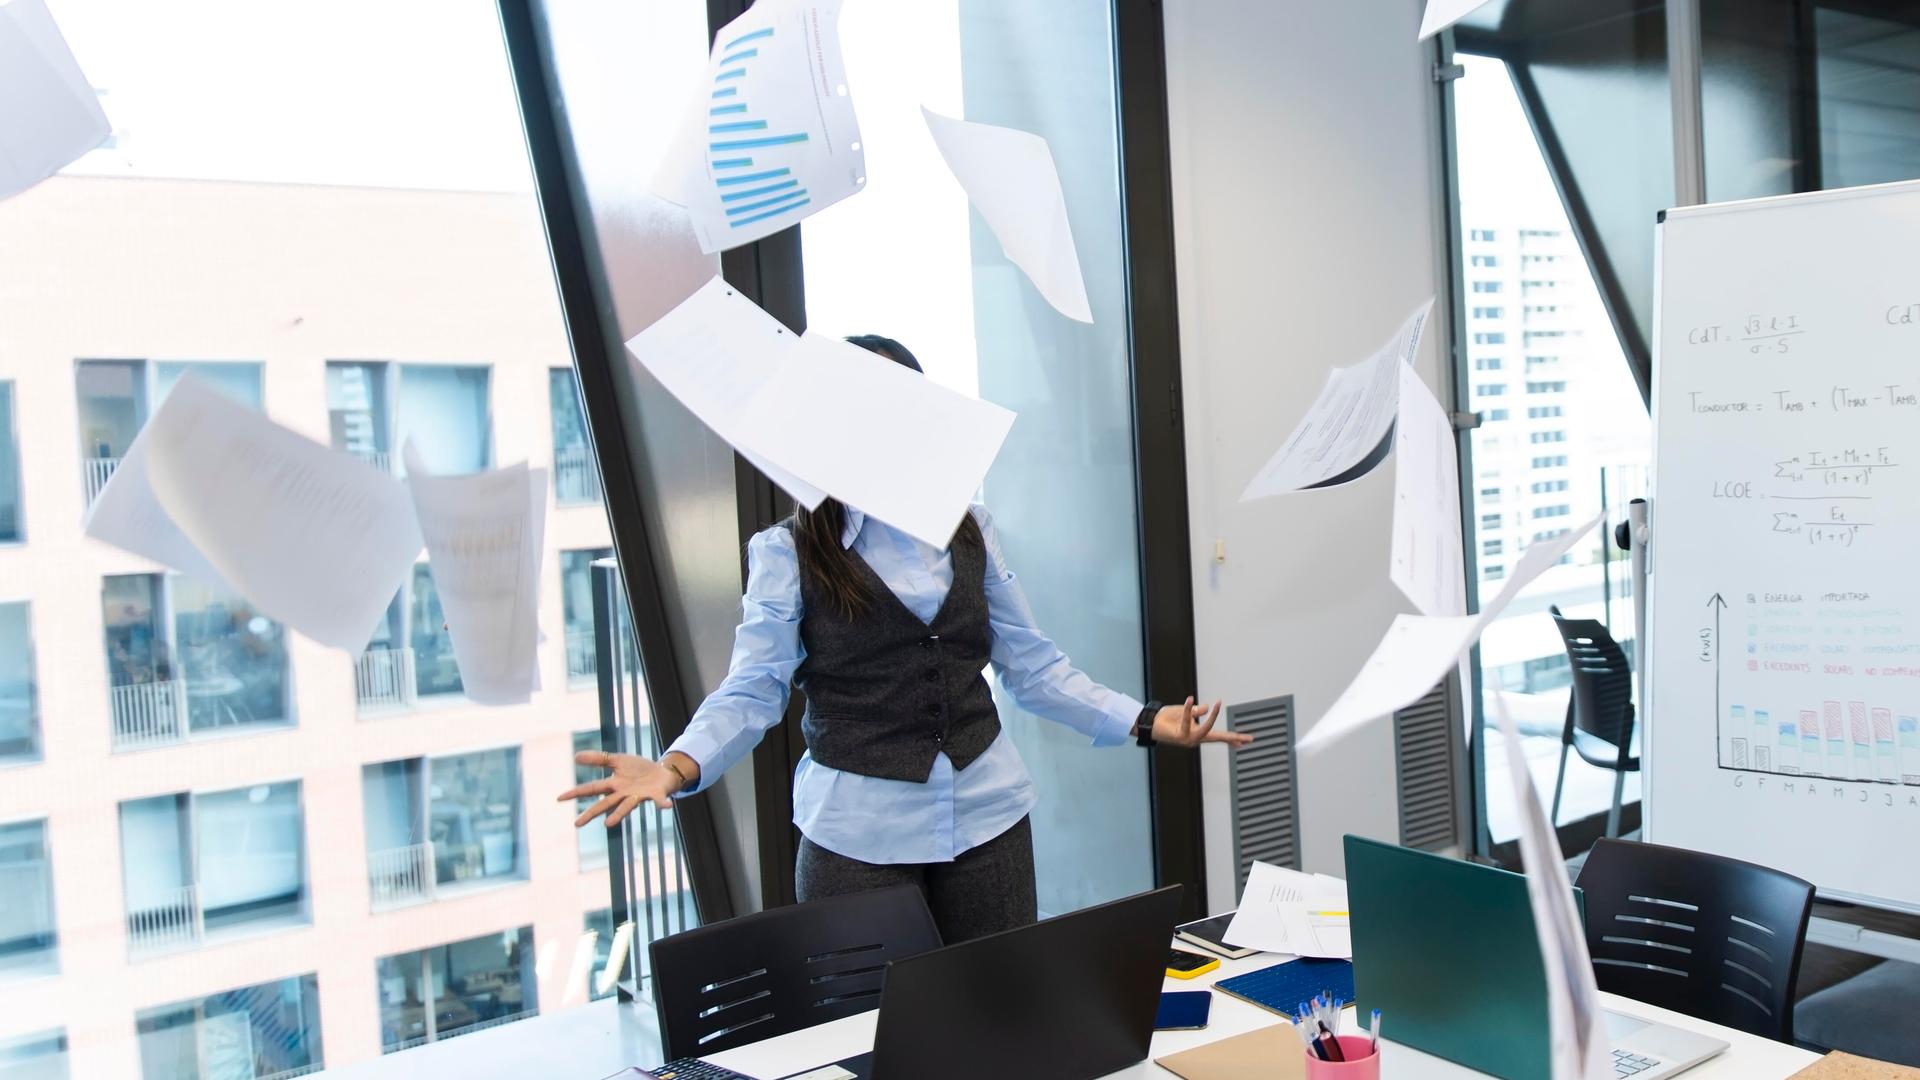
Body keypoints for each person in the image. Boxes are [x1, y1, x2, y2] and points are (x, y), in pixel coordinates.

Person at [561, 334, 1251, 943]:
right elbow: (754, 691)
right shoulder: (788, 551)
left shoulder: (972, 527)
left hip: (990, 819)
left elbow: (1032, 668)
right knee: (871, 1039)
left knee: (1004, 1025)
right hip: (856, 839)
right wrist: (677, 766)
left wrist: (1144, 719)